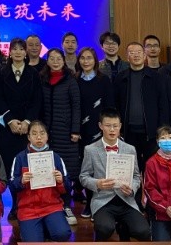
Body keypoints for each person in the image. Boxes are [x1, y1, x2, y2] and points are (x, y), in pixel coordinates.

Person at [79, 108, 150, 241]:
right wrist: (97, 183)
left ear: (120, 126)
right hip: (103, 201)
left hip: (126, 200)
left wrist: (132, 188)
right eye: (108, 125)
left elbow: (136, 176)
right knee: (104, 228)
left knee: (143, 231)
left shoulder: (130, 149)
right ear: (100, 126)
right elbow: (83, 177)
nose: (112, 130)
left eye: (115, 126)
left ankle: (123, 228)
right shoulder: (90, 149)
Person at [0, 37, 42, 219]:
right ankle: (15, 205)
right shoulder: (1, 74)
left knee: (27, 167)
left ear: (25, 52)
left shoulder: (34, 74)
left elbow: (37, 101)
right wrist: (11, 121)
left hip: (27, 129)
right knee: (11, 168)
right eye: (14, 49)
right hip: (8, 129)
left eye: (21, 49)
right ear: (10, 52)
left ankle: (28, 204)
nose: (18, 52)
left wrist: (27, 122)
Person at [10, 120, 72, 242]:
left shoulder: (56, 158)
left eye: (42, 133)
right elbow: (11, 185)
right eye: (34, 134)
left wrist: (61, 181)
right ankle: (33, 230)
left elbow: (68, 187)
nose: (39, 137)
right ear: (28, 137)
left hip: (52, 206)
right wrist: (21, 181)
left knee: (63, 234)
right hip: (28, 209)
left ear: (47, 136)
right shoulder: (20, 158)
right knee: (33, 241)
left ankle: (47, 230)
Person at [38, 47, 80, 224]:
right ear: (47, 61)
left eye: (58, 59)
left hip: (66, 133)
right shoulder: (42, 79)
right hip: (47, 134)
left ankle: (66, 205)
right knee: (48, 170)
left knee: (66, 171)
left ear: (64, 61)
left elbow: (76, 105)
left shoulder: (70, 80)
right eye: (52, 58)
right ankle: (50, 206)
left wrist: (75, 130)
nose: (55, 62)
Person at [114, 41, 169, 171]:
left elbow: (163, 105)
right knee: (131, 168)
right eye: (132, 52)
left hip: (151, 132)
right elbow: (116, 104)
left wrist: (162, 129)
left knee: (152, 167)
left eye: (139, 52)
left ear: (144, 55)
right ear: (127, 57)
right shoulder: (120, 78)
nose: (136, 55)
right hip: (128, 132)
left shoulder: (156, 77)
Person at [76, 46, 114, 216]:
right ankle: (89, 201)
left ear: (95, 61)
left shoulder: (103, 80)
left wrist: (108, 127)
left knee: (100, 166)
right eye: (83, 58)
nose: (86, 61)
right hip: (81, 130)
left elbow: (110, 105)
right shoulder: (75, 79)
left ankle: (101, 203)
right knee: (86, 167)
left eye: (89, 58)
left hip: (100, 129)